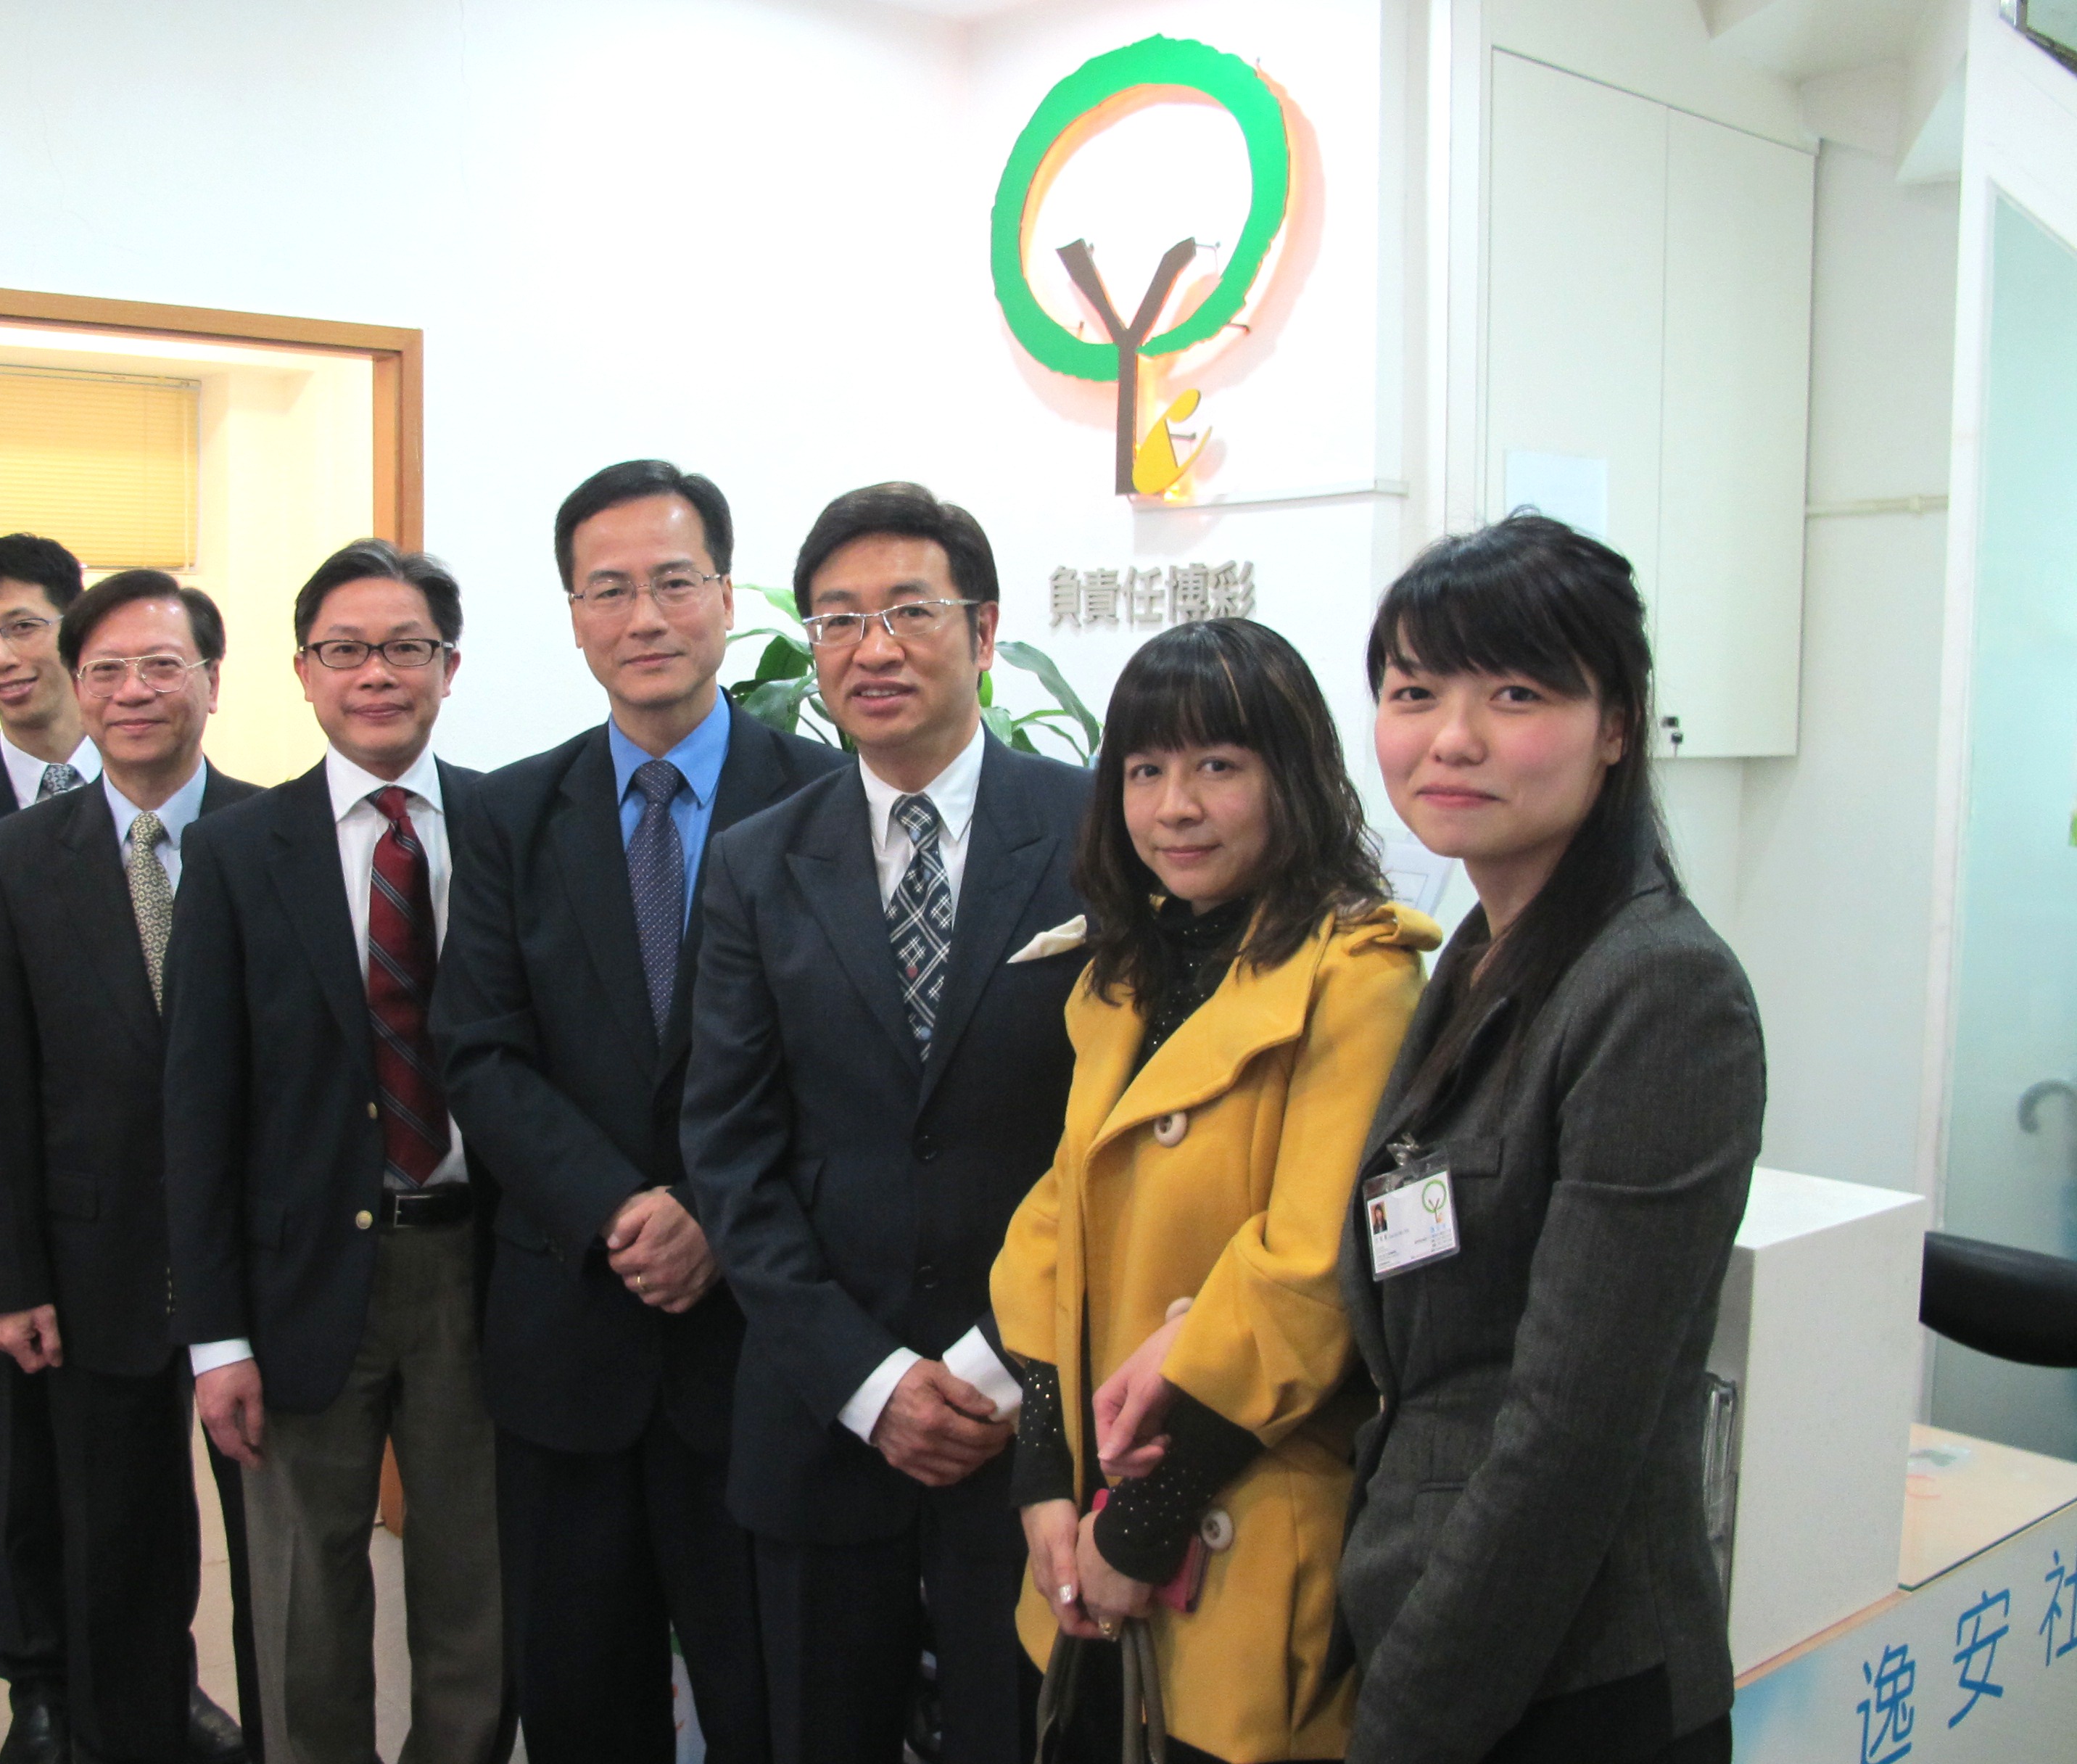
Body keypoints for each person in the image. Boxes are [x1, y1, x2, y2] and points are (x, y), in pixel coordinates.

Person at [1104, 514, 1762, 1763]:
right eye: (1415, 692)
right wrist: (1195, 1333)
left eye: (1516, 694)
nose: (1451, 738)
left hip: (1561, 1679)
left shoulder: (1658, 990)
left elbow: (1567, 1442)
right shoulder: (1478, 957)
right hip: (1422, 1614)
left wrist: (1405, 1725)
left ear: (1617, 726)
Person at [436, 461, 848, 1762]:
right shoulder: (508, 814)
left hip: (761, 1342)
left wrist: (716, 1216)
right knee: (581, 1707)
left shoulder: (825, 797)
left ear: (725, 595)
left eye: (675, 582)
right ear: (573, 616)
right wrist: (621, 1208)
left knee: (767, 1703)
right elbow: (481, 1053)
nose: (646, 617)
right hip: (570, 1331)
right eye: (608, 590)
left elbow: (843, 1064)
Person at [683, 482, 1094, 1764]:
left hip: (1033, 1412)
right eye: (839, 619)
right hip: (824, 1411)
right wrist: (870, 1384)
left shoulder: (1095, 833)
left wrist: (987, 1369)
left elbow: (1115, 1139)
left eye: (909, 611)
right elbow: (731, 1153)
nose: (873, 648)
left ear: (984, 630)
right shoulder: (758, 861)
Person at [988, 619, 1434, 1763]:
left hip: (1233, 1521)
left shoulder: (1359, 973)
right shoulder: (1124, 970)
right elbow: (1053, 1231)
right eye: (1145, 771)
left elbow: (1308, 1278)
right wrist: (1043, 1476)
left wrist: (1141, 1524)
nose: (1174, 807)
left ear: (1292, 776)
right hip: (1087, 1533)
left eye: (1218, 766)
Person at [0, 533, 260, 1764]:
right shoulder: (10, 854)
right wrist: (8, 1270)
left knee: (276, 1549)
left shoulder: (273, 833)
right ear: (81, 684)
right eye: (108, 671)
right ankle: (115, 1727)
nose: (133, 692)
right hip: (90, 1256)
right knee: (113, 1540)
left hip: (259, 1255)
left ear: (214, 678)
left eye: (162, 666)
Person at [164, 539, 505, 1764]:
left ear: (449, 667)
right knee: (305, 1589)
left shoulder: (511, 827)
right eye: (345, 649)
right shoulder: (237, 851)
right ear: (304, 672)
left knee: (478, 1581)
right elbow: (197, 1106)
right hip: (300, 1276)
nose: (377, 674)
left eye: (405, 647)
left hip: (478, 1266)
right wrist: (216, 1338)